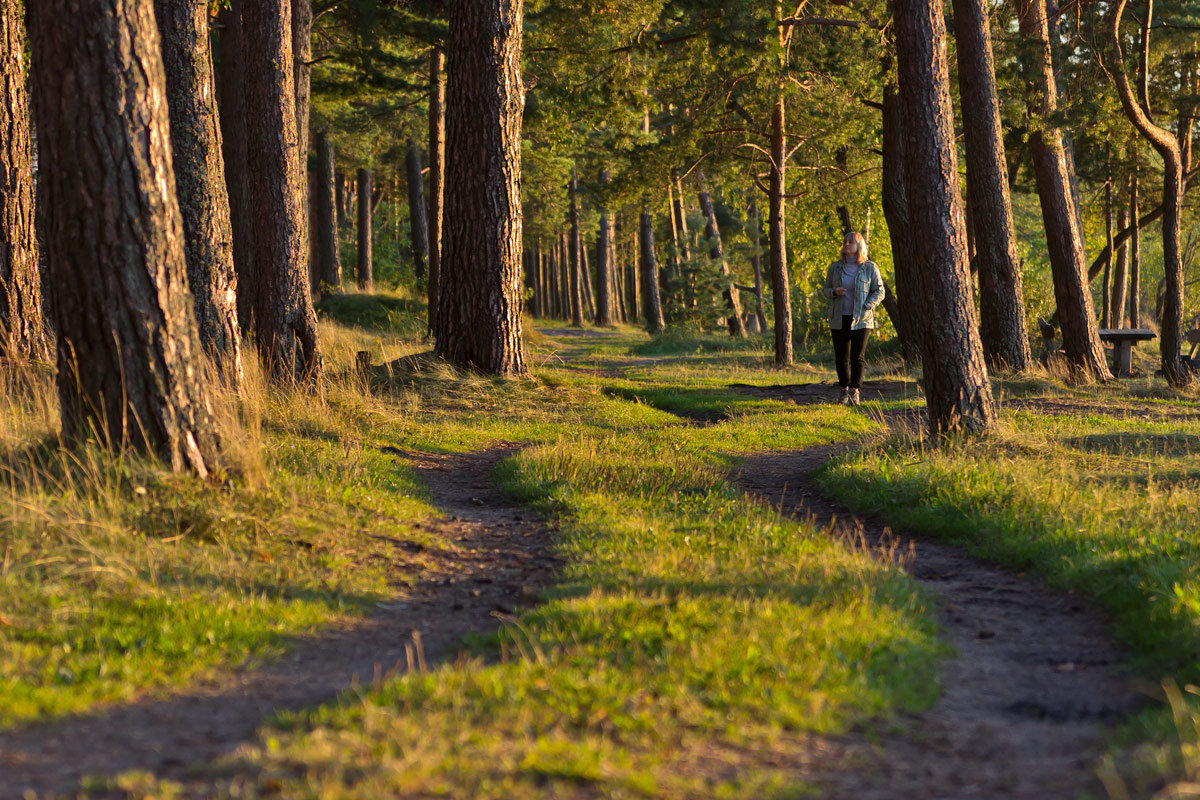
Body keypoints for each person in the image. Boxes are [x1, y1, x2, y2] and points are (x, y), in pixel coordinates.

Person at [821, 231, 885, 406]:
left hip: (862, 319)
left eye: (851, 242)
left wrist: (867, 305)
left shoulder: (869, 267)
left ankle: (855, 391)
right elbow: (825, 290)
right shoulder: (835, 268)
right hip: (839, 318)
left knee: (858, 357)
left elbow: (879, 291)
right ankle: (844, 390)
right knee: (841, 356)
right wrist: (834, 292)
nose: (847, 244)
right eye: (845, 242)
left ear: (859, 245)